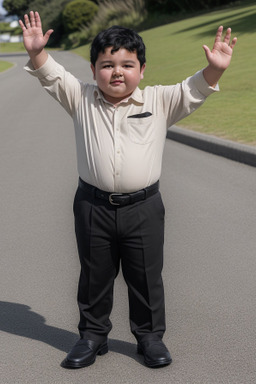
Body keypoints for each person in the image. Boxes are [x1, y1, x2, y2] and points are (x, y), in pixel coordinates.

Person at [19, 11, 237, 369]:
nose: (116, 71)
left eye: (126, 64)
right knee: (94, 276)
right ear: (93, 71)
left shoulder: (159, 101)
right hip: (93, 206)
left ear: (142, 69)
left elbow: (193, 90)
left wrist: (216, 69)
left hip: (144, 208)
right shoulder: (81, 98)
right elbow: (51, 75)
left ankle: (150, 339)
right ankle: (92, 336)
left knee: (146, 276)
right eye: (107, 64)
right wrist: (36, 53)